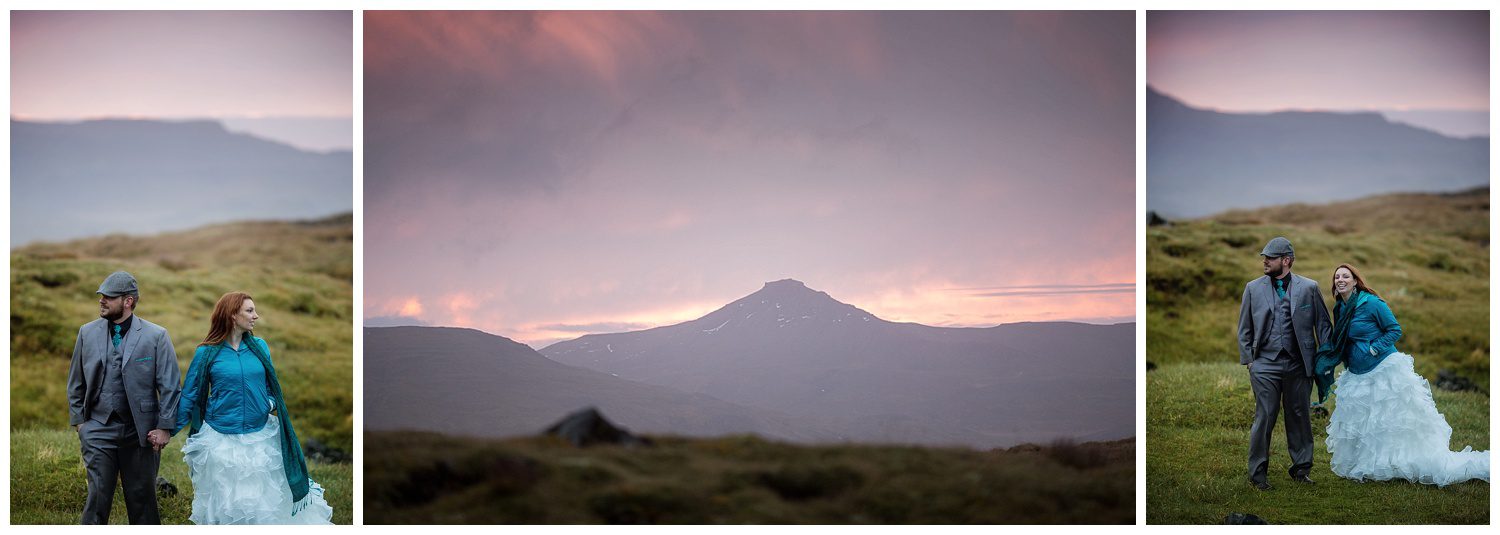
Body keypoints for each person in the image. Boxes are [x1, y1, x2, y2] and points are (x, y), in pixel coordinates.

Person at [1313, 264, 1489, 486]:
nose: (1340, 280)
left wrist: (1374, 348)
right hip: (1357, 374)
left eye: (1345, 276)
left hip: (1383, 370)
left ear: (1355, 281)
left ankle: (1401, 464)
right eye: (1337, 277)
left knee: (1389, 422)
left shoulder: (1372, 303)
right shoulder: (1340, 307)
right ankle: (1372, 466)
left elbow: (1394, 329)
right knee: (1368, 424)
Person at [172, 292, 333, 524]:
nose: (255, 316)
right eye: (249, 311)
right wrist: (167, 430)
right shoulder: (206, 352)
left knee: (262, 501)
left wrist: (268, 403)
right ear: (231, 315)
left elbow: (272, 389)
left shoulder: (260, 347)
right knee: (228, 500)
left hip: (260, 437)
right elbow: (190, 395)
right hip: (220, 438)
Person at [67, 271, 181, 524]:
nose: (102, 301)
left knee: (142, 499)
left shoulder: (156, 336)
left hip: (140, 432)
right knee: (97, 497)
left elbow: (171, 386)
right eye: (101, 296)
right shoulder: (87, 333)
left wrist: (164, 428)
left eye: (108, 297)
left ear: (128, 301)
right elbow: (76, 381)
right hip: (97, 427)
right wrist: (81, 423)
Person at [1237, 237, 1331, 490]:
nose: (1265, 261)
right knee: (1264, 416)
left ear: (1286, 260)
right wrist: (1250, 362)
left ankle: (1301, 470)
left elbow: (1322, 325)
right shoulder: (1253, 288)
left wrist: (1325, 357)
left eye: (1270, 257)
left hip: (1299, 365)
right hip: (1264, 363)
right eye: (1264, 257)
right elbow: (1244, 327)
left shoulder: (1309, 288)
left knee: (1299, 415)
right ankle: (1257, 475)